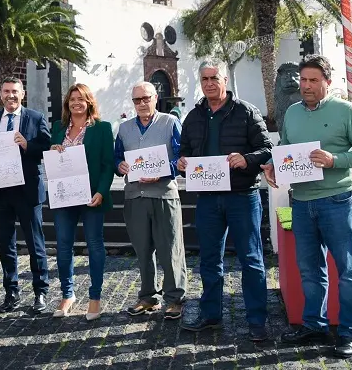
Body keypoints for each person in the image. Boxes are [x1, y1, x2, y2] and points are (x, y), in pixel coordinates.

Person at [262, 55, 352, 358]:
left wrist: (335, 160)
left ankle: (350, 333)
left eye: (313, 80)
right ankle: (314, 324)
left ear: (327, 82)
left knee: (348, 270)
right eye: (303, 80)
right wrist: (274, 165)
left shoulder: (345, 111)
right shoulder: (292, 113)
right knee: (310, 271)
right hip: (301, 203)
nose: (306, 86)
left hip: (337, 201)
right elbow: (286, 148)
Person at [177, 60, 273, 342]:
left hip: (242, 197)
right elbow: (182, 152)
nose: (209, 83)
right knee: (209, 260)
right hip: (207, 200)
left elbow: (266, 149)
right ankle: (211, 314)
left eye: (214, 78)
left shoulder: (246, 112)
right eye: (204, 78)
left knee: (252, 259)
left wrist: (246, 159)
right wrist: (181, 162)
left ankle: (257, 320)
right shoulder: (193, 117)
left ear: (225, 80)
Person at [0, 77, 52, 314]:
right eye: (6, 91)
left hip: (27, 191)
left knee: (35, 243)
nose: (11, 95)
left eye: (15, 92)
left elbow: (47, 147)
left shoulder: (36, 118)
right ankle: (11, 292)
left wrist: (27, 144)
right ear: (1, 95)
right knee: (5, 245)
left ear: (23, 94)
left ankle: (41, 292)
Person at [114, 82, 187, 320]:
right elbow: (117, 158)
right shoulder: (124, 128)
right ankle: (148, 298)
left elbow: (180, 158)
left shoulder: (170, 122)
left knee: (170, 249)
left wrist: (163, 171)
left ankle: (175, 299)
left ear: (156, 98)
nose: (142, 103)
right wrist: (120, 166)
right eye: (137, 100)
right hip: (135, 196)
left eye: (146, 98)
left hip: (164, 194)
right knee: (143, 250)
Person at [49, 83, 114, 321]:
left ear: (89, 102)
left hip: (91, 197)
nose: (76, 102)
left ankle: (95, 297)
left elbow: (109, 165)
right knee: (63, 246)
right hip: (64, 196)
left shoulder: (103, 128)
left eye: (81, 99)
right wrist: (53, 149)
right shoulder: (58, 128)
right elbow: (51, 159)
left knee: (95, 245)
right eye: (72, 99)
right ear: (67, 103)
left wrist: (102, 192)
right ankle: (67, 294)